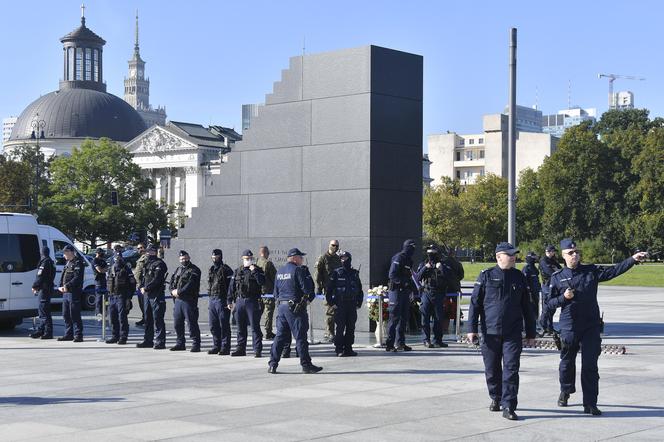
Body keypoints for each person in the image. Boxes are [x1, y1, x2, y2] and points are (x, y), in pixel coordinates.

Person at [548, 239, 647, 416]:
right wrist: (564, 298)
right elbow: (549, 303)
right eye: (570, 253)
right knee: (567, 363)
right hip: (569, 325)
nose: (575, 255)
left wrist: (632, 259)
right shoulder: (557, 277)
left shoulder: (590, 271)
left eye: (576, 252)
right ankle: (566, 390)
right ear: (563, 255)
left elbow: (614, 270)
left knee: (590, 366)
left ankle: (590, 403)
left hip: (591, 325)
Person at [468, 242, 537, 421]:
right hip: (490, 332)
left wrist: (530, 333)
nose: (513, 257)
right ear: (499, 257)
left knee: (511, 369)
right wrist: (471, 329)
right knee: (492, 369)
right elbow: (475, 304)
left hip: (512, 333)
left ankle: (509, 405)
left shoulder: (519, 277)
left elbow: (527, 307)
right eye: (509, 254)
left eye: (514, 254)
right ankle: (496, 397)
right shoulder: (486, 276)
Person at [268, 248, 322, 374]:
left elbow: (275, 293)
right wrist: (306, 299)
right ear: (295, 258)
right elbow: (307, 289)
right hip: (295, 309)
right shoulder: (297, 270)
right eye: (301, 257)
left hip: (282, 307)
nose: (302, 260)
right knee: (300, 337)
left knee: (280, 337)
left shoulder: (280, 271)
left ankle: (272, 364)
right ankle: (306, 365)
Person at [228, 250, 265, 357]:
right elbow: (232, 287)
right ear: (242, 259)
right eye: (246, 259)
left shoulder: (258, 270)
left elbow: (262, 282)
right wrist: (229, 300)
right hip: (239, 301)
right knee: (240, 327)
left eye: (250, 258)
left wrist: (255, 272)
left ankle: (257, 349)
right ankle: (240, 349)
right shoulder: (237, 271)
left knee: (255, 327)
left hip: (252, 301)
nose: (248, 260)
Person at [326, 251, 363, 357]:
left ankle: (348, 348)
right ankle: (339, 349)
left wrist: (359, 303)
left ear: (349, 259)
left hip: (351, 304)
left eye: (345, 258)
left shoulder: (355, 273)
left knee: (351, 327)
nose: (343, 260)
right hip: (340, 304)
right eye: (341, 258)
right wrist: (332, 303)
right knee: (340, 327)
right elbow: (329, 290)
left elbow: (360, 290)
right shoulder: (336, 273)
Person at [385, 239, 417, 352]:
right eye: (411, 247)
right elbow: (392, 275)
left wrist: (413, 288)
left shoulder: (409, 260)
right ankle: (389, 344)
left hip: (405, 292)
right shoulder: (399, 257)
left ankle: (400, 343)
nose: (413, 250)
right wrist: (404, 282)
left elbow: (409, 276)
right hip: (396, 291)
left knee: (404, 318)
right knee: (394, 318)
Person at [415, 245, 449, 348]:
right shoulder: (424, 264)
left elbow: (449, 278)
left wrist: (441, 268)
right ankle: (426, 340)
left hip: (439, 293)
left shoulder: (442, 264)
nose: (431, 255)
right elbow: (418, 278)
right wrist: (426, 267)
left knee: (438, 318)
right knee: (425, 317)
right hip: (426, 292)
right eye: (429, 253)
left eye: (433, 253)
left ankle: (438, 340)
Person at [136, 244, 168, 350]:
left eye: (151, 251)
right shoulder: (147, 263)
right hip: (147, 295)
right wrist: (141, 286)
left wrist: (146, 288)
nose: (149, 253)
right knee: (147, 319)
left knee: (158, 319)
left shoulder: (160, 264)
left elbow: (157, 279)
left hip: (156, 295)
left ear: (155, 252)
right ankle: (148, 340)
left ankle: (160, 341)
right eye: (148, 251)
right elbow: (143, 277)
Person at [170, 250, 202, 352]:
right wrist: (172, 291)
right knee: (177, 323)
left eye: (185, 258)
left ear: (189, 258)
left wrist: (179, 292)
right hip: (178, 301)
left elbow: (191, 284)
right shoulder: (178, 269)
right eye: (182, 259)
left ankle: (196, 344)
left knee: (191, 323)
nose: (184, 260)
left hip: (189, 301)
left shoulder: (195, 270)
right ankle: (180, 343)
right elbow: (171, 282)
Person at [106, 245, 136, 345]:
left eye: (119, 258)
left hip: (122, 296)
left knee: (122, 318)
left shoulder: (126, 269)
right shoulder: (111, 268)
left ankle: (123, 337)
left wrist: (129, 298)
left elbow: (132, 284)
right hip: (112, 296)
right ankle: (115, 336)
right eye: (116, 258)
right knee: (113, 318)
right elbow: (108, 282)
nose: (117, 259)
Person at [207, 249, 234, 355]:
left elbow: (230, 287)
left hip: (222, 299)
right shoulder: (212, 269)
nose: (214, 259)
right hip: (212, 299)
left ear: (221, 257)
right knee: (213, 325)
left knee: (224, 324)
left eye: (216, 257)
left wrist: (229, 300)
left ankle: (225, 347)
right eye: (213, 257)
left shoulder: (227, 270)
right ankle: (216, 345)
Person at [315, 240, 342, 343]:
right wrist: (318, 287)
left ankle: (334, 332)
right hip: (328, 288)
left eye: (337, 245)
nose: (335, 247)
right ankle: (329, 333)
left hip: (338, 288)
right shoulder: (323, 257)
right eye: (333, 245)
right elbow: (317, 273)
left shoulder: (337, 258)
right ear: (329, 245)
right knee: (330, 312)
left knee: (337, 312)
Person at [57, 245, 85, 342]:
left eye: (65, 253)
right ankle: (68, 334)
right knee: (65, 314)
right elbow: (64, 275)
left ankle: (78, 335)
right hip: (66, 292)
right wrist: (60, 285)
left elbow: (77, 278)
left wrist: (67, 286)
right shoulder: (68, 263)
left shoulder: (78, 263)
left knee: (75, 314)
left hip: (74, 292)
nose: (64, 255)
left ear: (70, 252)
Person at [30, 246, 56, 339]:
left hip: (44, 289)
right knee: (44, 311)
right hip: (47, 288)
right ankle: (41, 330)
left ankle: (48, 332)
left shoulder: (45, 262)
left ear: (42, 253)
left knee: (43, 311)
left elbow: (40, 276)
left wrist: (34, 286)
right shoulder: (51, 262)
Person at [538, 245, 562, 335]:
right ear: (549, 251)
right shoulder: (543, 261)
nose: (554, 253)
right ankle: (542, 327)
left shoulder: (552, 260)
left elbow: (560, 270)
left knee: (552, 308)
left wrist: (556, 270)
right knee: (547, 308)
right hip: (547, 286)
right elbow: (550, 273)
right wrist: (556, 270)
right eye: (553, 251)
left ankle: (550, 328)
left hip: (553, 286)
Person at [441, 246, 464, 335]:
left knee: (445, 305)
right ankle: (457, 320)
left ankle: (444, 323)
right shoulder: (458, 264)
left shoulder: (443, 263)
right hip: (455, 286)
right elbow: (461, 276)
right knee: (456, 304)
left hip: (445, 287)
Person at [257, 246, 278, 340]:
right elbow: (275, 277)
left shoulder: (257, 262)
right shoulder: (268, 263)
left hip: (259, 292)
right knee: (269, 312)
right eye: (268, 253)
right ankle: (268, 332)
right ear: (265, 253)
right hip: (268, 291)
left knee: (259, 312)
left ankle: (257, 331)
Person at [522, 251, 541, 322]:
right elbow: (524, 281)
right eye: (533, 257)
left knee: (536, 308)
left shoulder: (534, 268)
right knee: (530, 309)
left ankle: (535, 323)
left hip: (536, 291)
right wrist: (528, 291)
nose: (535, 259)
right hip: (530, 293)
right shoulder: (527, 268)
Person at [133, 243, 148, 327]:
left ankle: (147, 319)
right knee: (141, 304)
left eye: (141, 248)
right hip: (138, 284)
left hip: (143, 284)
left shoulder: (146, 257)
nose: (139, 249)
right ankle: (144, 318)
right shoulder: (141, 258)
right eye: (138, 248)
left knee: (144, 303)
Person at [92, 248, 108, 320]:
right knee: (99, 297)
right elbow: (99, 270)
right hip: (98, 280)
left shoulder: (102, 260)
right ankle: (98, 312)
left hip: (104, 280)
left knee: (106, 297)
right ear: (98, 253)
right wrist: (103, 270)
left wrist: (104, 270)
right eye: (101, 252)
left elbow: (107, 268)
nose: (103, 254)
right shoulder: (95, 260)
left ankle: (105, 311)